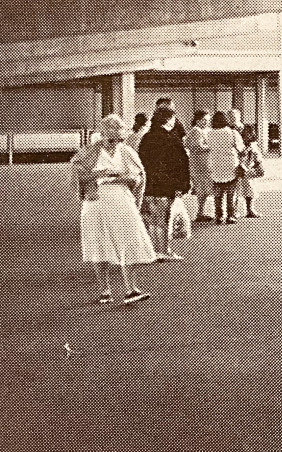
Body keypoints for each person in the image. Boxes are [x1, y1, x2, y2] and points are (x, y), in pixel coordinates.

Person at [70, 114, 156, 305]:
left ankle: (131, 289)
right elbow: (77, 175)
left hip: (121, 201)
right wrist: (101, 173)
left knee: (129, 241)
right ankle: (104, 290)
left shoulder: (127, 152)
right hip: (95, 202)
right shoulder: (89, 151)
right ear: (101, 133)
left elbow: (138, 177)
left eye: (118, 135)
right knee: (98, 244)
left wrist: (119, 178)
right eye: (110, 135)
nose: (114, 141)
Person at [138, 107, 191, 261]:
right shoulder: (171, 138)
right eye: (173, 119)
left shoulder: (147, 138)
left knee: (153, 219)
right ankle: (164, 250)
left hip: (149, 183)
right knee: (164, 219)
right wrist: (183, 185)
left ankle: (153, 250)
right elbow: (181, 164)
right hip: (166, 185)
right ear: (168, 120)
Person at [207, 111, 244, 224]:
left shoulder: (209, 133)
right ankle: (231, 215)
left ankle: (219, 215)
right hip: (230, 164)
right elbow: (241, 148)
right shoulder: (232, 133)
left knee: (218, 192)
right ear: (226, 120)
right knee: (231, 192)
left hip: (215, 164)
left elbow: (208, 146)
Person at [185, 111, 214, 222]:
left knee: (204, 189)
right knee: (203, 189)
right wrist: (211, 147)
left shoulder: (201, 131)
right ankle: (200, 213)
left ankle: (201, 212)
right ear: (198, 120)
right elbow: (197, 146)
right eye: (205, 120)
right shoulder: (196, 131)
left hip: (202, 163)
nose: (207, 122)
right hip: (199, 163)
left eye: (208, 120)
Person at [227, 108, 256, 219]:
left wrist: (246, 152)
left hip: (246, 160)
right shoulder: (227, 131)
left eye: (234, 116)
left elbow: (253, 143)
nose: (232, 119)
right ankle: (234, 211)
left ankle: (250, 209)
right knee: (234, 186)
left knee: (249, 184)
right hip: (233, 160)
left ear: (239, 116)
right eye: (230, 117)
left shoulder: (248, 128)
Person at [239, 125, 265, 217]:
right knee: (243, 189)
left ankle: (250, 209)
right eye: (246, 133)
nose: (248, 135)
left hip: (248, 168)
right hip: (242, 168)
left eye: (250, 133)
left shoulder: (253, 144)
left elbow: (257, 156)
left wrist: (258, 164)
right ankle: (244, 210)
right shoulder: (241, 144)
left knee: (250, 188)